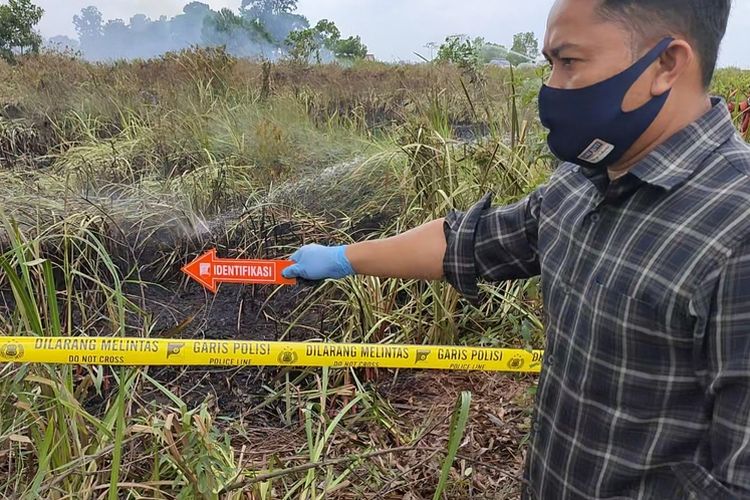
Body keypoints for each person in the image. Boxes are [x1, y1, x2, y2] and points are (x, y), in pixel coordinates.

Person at [283, 0, 750, 498]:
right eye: (549, 64)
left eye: (569, 62)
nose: (550, 89)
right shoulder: (581, 181)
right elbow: (469, 242)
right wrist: (342, 258)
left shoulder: (736, 231)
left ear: (667, 64)